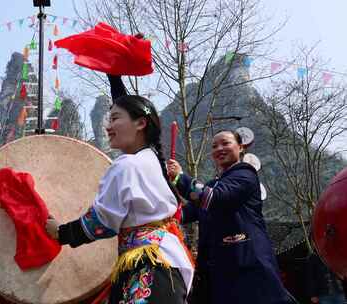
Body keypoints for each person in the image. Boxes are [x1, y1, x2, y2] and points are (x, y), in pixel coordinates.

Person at [45, 74, 194, 304]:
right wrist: (115, 77)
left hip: (146, 268)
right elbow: (132, 109)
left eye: (114, 119)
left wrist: (60, 232)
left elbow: (102, 221)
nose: (108, 126)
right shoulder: (152, 159)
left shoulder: (127, 165)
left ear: (141, 124)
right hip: (167, 263)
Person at [167, 130, 293, 303]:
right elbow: (184, 213)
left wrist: (181, 178)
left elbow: (214, 198)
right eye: (214, 146)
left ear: (240, 147)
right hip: (217, 272)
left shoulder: (246, 175)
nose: (219, 148)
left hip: (247, 269)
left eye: (225, 143)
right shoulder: (213, 184)